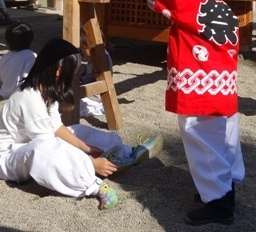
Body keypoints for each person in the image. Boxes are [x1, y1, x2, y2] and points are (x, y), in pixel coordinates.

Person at [0, 38, 163, 211]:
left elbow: (56, 126)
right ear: (59, 71)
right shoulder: (28, 98)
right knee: (43, 149)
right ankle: (94, 186)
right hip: (10, 156)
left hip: (31, 144)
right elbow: (48, 144)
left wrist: (87, 148)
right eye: (71, 72)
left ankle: (126, 152)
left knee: (77, 130)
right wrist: (89, 163)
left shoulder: (47, 91)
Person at [147, 0, 245, 227]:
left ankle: (220, 205)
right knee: (224, 144)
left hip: (201, 88)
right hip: (223, 88)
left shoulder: (190, 1)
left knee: (204, 144)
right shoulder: (220, 4)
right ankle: (223, 194)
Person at [0, 22, 36, 100]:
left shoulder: (5, 57)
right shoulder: (31, 56)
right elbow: (27, 78)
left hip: (3, 96)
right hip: (20, 97)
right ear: (30, 40)